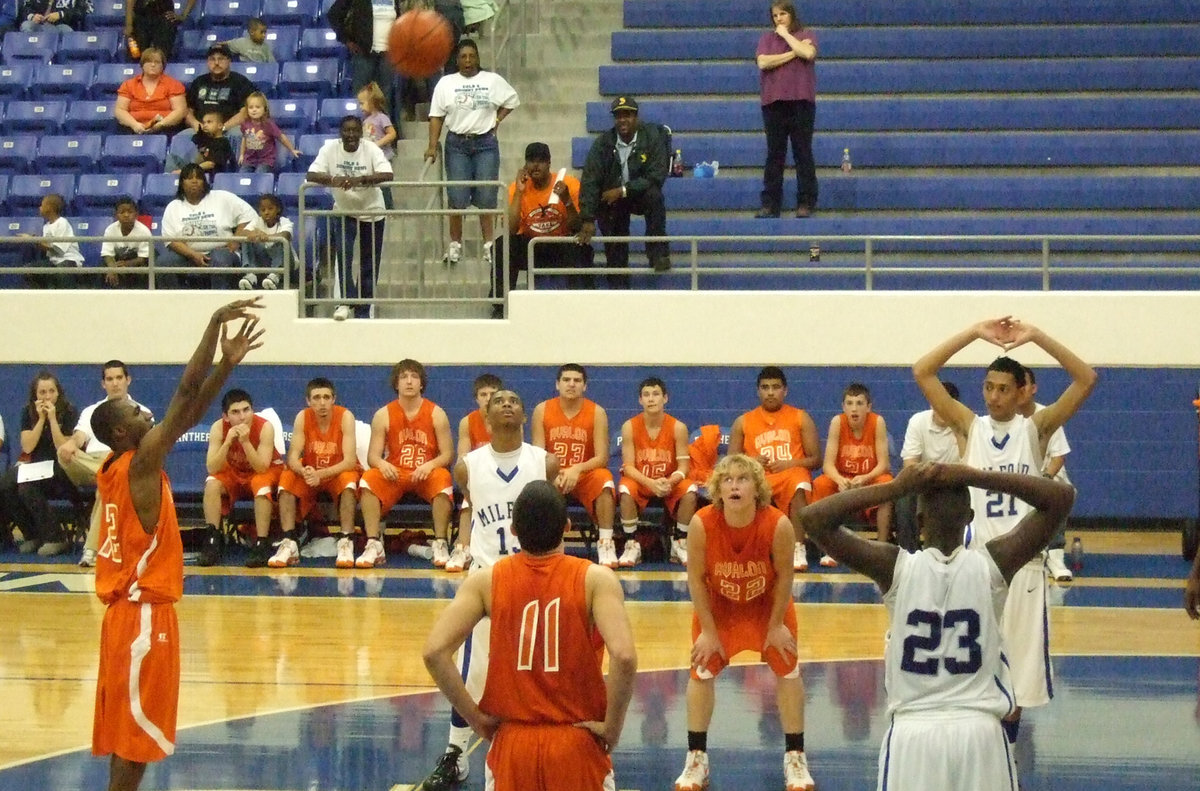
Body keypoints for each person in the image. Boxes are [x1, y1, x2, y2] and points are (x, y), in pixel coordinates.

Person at [800, 462, 1075, 791]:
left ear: (918, 522)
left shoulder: (894, 568)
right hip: (981, 735)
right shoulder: (993, 565)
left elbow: (813, 519)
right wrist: (975, 475)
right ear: (970, 518)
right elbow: (1060, 498)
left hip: (913, 736)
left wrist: (895, 488)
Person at [89, 297, 263, 791]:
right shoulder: (139, 464)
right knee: (135, 743)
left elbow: (187, 410)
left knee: (127, 735)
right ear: (122, 432)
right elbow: (186, 395)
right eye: (137, 413)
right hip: (142, 615)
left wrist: (224, 365)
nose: (148, 414)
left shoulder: (114, 467)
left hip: (125, 617)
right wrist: (214, 331)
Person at [912, 316, 1097, 734]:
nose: (993, 396)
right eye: (988, 387)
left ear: (1022, 392)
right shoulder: (969, 426)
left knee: (1018, 681)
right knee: (975, 668)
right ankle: (982, 746)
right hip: (977, 564)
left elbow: (1086, 379)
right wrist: (973, 332)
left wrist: (1037, 337)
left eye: (1003, 389)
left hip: (1023, 564)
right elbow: (923, 371)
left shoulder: (1036, 429)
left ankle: (1007, 753)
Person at [422, 479, 636, 791]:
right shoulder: (596, 580)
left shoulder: (485, 582)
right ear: (567, 527)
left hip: (513, 745)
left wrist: (476, 719)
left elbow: (434, 652)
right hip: (576, 742)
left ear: (513, 530)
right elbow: (624, 656)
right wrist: (612, 727)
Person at [418, 390, 558, 791]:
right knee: (472, 669)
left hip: (536, 575)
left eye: (514, 401)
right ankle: (456, 752)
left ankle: (551, 746)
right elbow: (472, 507)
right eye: (499, 402)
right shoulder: (468, 466)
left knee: (545, 667)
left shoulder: (544, 462)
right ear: (486, 416)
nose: (508, 404)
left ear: (524, 414)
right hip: (487, 579)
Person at [674, 454, 815, 791]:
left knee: (788, 667)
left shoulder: (778, 524)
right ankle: (696, 758)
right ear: (718, 490)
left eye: (742, 479)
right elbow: (696, 579)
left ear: (757, 488)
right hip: (720, 607)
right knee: (701, 668)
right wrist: (708, 631)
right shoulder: (702, 523)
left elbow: (785, 577)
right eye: (727, 480)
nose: (734, 485)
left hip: (767, 606)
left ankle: (795, 757)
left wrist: (776, 624)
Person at [425, 38, 520, 269]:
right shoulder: (446, 83)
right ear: (457, 61)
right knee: (457, 196)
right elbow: (436, 116)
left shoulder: (492, 80)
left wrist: (497, 120)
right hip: (457, 144)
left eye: (472, 56)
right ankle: (455, 244)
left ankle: (489, 244)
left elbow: (512, 100)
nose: (468, 61)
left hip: (485, 143)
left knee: (487, 196)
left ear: (477, 58)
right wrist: (432, 145)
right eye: (463, 57)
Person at [357, 359, 455, 569]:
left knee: (444, 477)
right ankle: (373, 543)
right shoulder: (383, 414)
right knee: (368, 479)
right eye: (404, 377)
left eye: (414, 377)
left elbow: (448, 454)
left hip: (425, 473)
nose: (409, 381)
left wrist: (430, 465)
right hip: (396, 473)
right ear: (396, 383)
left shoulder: (436, 413)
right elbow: (373, 457)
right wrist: (382, 465)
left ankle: (440, 542)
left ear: (421, 383)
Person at [57, 360, 153, 568]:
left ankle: (91, 550)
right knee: (63, 452)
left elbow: (147, 449)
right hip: (90, 463)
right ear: (103, 384)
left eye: (119, 378)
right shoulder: (91, 411)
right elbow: (79, 436)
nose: (115, 383)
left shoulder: (141, 412)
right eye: (110, 379)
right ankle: (106, 473)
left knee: (107, 483)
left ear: (128, 380)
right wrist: (71, 444)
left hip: (123, 463)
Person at [729, 366, 821, 571]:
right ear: (758, 391)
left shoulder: (800, 417)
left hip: (790, 475)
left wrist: (790, 463)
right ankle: (745, 547)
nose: (770, 392)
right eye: (765, 387)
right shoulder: (743, 421)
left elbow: (816, 460)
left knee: (800, 482)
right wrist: (752, 461)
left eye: (776, 387)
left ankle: (797, 547)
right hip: (759, 478)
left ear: (785, 391)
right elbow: (730, 462)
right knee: (740, 486)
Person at [306, 115, 393, 321]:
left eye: (355, 130)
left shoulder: (371, 149)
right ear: (340, 133)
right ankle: (345, 302)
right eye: (347, 130)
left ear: (361, 133)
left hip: (372, 212)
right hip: (344, 211)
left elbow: (387, 174)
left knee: (369, 263)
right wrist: (334, 179)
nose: (351, 135)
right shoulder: (330, 149)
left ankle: (364, 309)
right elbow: (312, 174)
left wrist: (359, 180)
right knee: (343, 258)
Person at [531, 364, 618, 567]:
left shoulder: (597, 412)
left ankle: (606, 542)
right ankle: (549, 544)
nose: (571, 384)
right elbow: (537, 454)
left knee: (605, 479)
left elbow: (602, 457)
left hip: (583, 474)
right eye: (566, 380)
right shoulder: (542, 410)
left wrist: (576, 469)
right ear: (557, 384)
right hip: (554, 475)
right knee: (538, 482)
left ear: (585, 386)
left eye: (577, 380)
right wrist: (554, 473)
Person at [578, 95, 671, 285]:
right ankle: (618, 279)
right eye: (618, 116)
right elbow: (590, 180)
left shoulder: (653, 137)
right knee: (613, 235)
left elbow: (656, 175)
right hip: (612, 199)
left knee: (655, 196)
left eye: (627, 115)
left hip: (639, 194)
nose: (622, 120)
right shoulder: (603, 143)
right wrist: (588, 218)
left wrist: (623, 190)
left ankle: (658, 254)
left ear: (636, 117)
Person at [490, 141, 590, 317]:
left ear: (549, 163)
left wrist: (566, 200)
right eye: (531, 160)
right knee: (501, 246)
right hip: (532, 245)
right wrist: (519, 192)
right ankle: (501, 306)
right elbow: (511, 230)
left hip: (561, 242)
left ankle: (582, 307)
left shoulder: (569, 183)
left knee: (583, 249)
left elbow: (576, 227)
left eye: (541, 161)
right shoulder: (516, 187)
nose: (536, 165)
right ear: (525, 165)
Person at [269, 377, 360, 569]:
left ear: (334, 399)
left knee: (349, 481)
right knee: (287, 477)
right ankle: (289, 541)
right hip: (311, 473)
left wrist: (321, 474)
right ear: (308, 401)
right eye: (316, 398)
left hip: (337, 471)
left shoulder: (345, 417)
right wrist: (303, 470)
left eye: (326, 397)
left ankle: (346, 540)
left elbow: (350, 461)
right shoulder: (302, 417)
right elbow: (293, 456)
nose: (322, 402)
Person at [617, 377, 697, 567]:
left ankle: (680, 542)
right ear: (640, 400)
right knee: (625, 488)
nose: (651, 399)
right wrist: (650, 483)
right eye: (646, 395)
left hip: (668, 483)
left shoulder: (678, 427)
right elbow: (628, 467)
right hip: (642, 482)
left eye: (656, 394)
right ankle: (631, 544)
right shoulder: (629, 426)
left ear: (665, 398)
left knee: (690, 489)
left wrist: (670, 481)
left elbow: (684, 467)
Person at [1, 371, 81, 556]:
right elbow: (27, 447)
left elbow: (63, 447)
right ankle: (32, 535)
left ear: (58, 392)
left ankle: (56, 538)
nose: (47, 396)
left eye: (51, 391)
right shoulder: (27, 412)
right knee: (9, 487)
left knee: (19, 485)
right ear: (35, 395)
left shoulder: (69, 411)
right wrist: (41, 419)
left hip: (62, 470)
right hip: (36, 470)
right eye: (42, 392)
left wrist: (52, 419)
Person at [202, 388, 283, 569]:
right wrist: (227, 443)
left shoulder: (265, 427)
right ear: (226, 417)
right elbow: (211, 467)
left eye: (246, 410)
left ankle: (261, 542)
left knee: (261, 484)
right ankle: (213, 539)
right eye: (235, 412)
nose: (242, 417)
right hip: (236, 472)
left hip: (264, 471)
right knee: (212, 483)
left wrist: (245, 442)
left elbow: (261, 467)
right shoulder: (218, 428)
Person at [809, 382, 894, 554]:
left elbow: (884, 465)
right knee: (821, 484)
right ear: (843, 407)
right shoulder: (837, 422)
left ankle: (881, 547)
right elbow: (828, 465)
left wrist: (864, 478)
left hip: (869, 478)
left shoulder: (877, 422)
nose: (854, 409)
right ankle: (825, 547)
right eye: (849, 403)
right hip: (844, 477)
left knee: (887, 483)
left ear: (868, 407)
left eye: (859, 403)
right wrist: (839, 480)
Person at [755, 1, 818, 219]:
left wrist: (787, 37)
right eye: (775, 15)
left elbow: (808, 53)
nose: (779, 19)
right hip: (773, 103)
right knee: (775, 154)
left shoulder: (806, 34)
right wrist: (793, 53)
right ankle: (771, 204)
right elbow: (763, 63)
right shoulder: (766, 39)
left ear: (791, 15)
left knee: (803, 153)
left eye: (782, 14)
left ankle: (806, 202)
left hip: (801, 102)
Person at [158, 163, 256, 289]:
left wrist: (236, 240)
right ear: (182, 183)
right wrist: (193, 255)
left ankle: (220, 299)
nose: (194, 181)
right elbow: (171, 240)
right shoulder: (173, 207)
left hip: (222, 252)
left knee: (220, 259)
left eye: (198, 178)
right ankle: (174, 300)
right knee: (163, 262)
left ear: (204, 182)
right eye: (189, 178)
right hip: (187, 256)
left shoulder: (222, 197)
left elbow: (249, 215)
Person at [1019, 366, 1075, 582]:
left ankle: (1055, 555)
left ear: (1033, 388)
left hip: (1045, 478)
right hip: (1017, 478)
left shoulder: (1048, 416)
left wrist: (1043, 480)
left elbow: (1058, 457)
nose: (1020, 390)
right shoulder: (1005, 418)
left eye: (1024, 385)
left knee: (1059, 492)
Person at [446, 372, 503, 573]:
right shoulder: (467, 422)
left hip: (504, 477)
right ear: (476, 398)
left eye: (492, 394)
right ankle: (463, 548)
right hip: (480, 476)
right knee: (468, 499)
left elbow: (515, 453)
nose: (488, 398)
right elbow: (463, 458)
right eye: (483, 394)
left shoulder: (508, 420)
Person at [895, 380, 962, 551]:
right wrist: (928, 478)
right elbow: (910, 465)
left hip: (954, 486)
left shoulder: (965, 426)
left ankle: (955, 551)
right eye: (936, 403)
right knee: (904, 498)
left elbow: (969, 466)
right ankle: (909, 554)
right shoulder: (917, 421)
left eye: (946, 405)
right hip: (923, 482)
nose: (940, 409)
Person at [328, 0, 399, 116]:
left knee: (385, 99)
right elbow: (333, 14)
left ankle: (384, 127)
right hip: (363, 54)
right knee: (361, 97)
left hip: (388, 54)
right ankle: (360, 126)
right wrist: (347, 40)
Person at [184, 44, 256, 146]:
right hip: (201, 129)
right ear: (207, 62)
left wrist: (222, 128)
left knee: (238, 134)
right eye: (212, 59)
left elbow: (245, 112)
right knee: (183, 137)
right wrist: (197, 126)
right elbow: (188, 111)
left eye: (221, 59)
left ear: (229, 61)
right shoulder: (199, 82)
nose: (216, 63)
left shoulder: (240, 82)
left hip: (229, 128)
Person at [16, 193, 84, 289]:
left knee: (62, 271)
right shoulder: (46, 226)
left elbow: (58, 249)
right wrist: (32, 240)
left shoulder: (62, 222)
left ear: (49, 208)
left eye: (42, 205)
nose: (39, 208)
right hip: (54, 262)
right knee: (29, 270)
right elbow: (46, 246)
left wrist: (33, 239)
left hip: (69, 260)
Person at [114, 47, 187, 135]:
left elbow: (180, 111)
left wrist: (161, 124)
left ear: (163, 66)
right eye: (149, 61)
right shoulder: (128, 84)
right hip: (132, 130)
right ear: (142, 64)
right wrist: (134, 125)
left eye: (157, 62)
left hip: (164, 129)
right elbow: (120, 110)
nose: (153, 65)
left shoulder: (173, 84)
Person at [238, 194, 294, 291]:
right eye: (263, 210)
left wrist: (267, 237)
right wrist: (255, 233)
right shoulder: (257, 221)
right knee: (247, 239)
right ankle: (250, 274)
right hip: (264, 260)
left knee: (280, 241)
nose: (266, 212)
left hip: (286, 262)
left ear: (278, 209)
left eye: (270, 209)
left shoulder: (284, 221)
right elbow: (244, 232)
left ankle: (275, 275)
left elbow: (286, 235)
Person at [239, 92, 299, 174]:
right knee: (242, 175)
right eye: (251, 107)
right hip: (249, 160)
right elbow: (244, 139)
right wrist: (242, 154)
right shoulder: (245, 124)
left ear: (264, 109)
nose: (254, 110)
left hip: (265, 161)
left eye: (257, 107)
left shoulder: (269, 124)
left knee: (260, 175)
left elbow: (281, 137)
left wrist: (292, 149)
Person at [100, 196, 153, 289]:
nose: (126, 215)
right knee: (103, 268)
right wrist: (112, 268)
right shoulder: (110, 229)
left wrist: (126, 264)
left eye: (130, 212)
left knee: (142, 269)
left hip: (136, 262)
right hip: (117, 261)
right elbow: (107, 254)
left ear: (136, 214)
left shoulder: (144, 231)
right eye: (122, 212)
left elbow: (143, 258)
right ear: (116, 215)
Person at [125, 0, 195, 61]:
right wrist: (129, 24)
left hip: (165, 18)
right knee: (136, 55)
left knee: (162, 55)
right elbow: (130, 1)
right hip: (141, 18)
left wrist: (183, 15)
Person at [193, 109, 236, 176]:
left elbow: (211, 164)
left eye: (209, 122)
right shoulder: (207, 141)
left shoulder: (222, 143)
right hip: (204, 175)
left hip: (217, 177)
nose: (205, 125)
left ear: (220, 126)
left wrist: (195, 168)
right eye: (204, 123)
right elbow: (199, 159)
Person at [17, 0, 82, 31]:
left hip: (59, 25)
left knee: (67, 30)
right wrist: (32, 16)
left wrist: (61, 14)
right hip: (38, 25)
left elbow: (80, 12)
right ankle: (29, 53)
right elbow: (24, 9)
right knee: (27, 25)